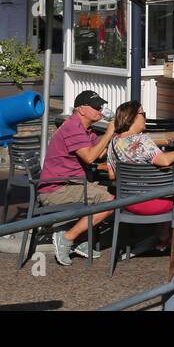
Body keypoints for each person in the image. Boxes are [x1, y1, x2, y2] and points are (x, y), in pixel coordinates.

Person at [38, 90, 117, 265]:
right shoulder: (72, 128)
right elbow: (90, 157)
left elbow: (100, 152)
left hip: (71, 184)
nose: (100, 110)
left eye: (101, 106)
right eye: (96, 106)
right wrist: (110, 133)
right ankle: (67, 238)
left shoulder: (86, 130)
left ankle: (79, 239)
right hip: (56, 190)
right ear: (81, 109)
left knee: (107, 190)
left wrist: (116, 136)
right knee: (109, 200)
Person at [107, 100, 174, 257]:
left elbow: (112, 174)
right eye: (143, 114)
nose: (145, 118)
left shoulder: (113, 142)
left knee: (165, 188)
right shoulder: (142, 140)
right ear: (132, 117)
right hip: (154, 202)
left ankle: (162, 239)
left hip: (129, 202)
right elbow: (165, 161)